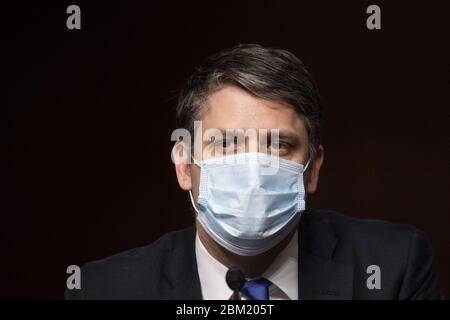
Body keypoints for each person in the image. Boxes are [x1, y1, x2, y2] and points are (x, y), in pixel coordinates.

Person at [65, 44, 443, 300]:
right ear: (184, 165)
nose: (254, 171)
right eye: (226, 144)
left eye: (277, 146)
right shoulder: (105, 289)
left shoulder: (393, 269)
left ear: (312, 170)